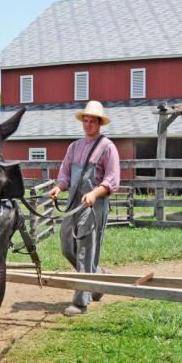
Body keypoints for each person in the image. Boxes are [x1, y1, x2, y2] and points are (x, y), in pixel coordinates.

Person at [47, 101, 121, 316]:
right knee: (67, 247)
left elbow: (112, 180)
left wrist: (94, 193)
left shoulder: (108, 147)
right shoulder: (74, 147)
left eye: (92, 121)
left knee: (85, 251)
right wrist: (58, 188)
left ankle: (80, 302)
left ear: (100, 123)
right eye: (85, 121)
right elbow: (65, 175)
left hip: (94, 205)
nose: (88, 125)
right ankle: (97, 277)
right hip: (73, 204)